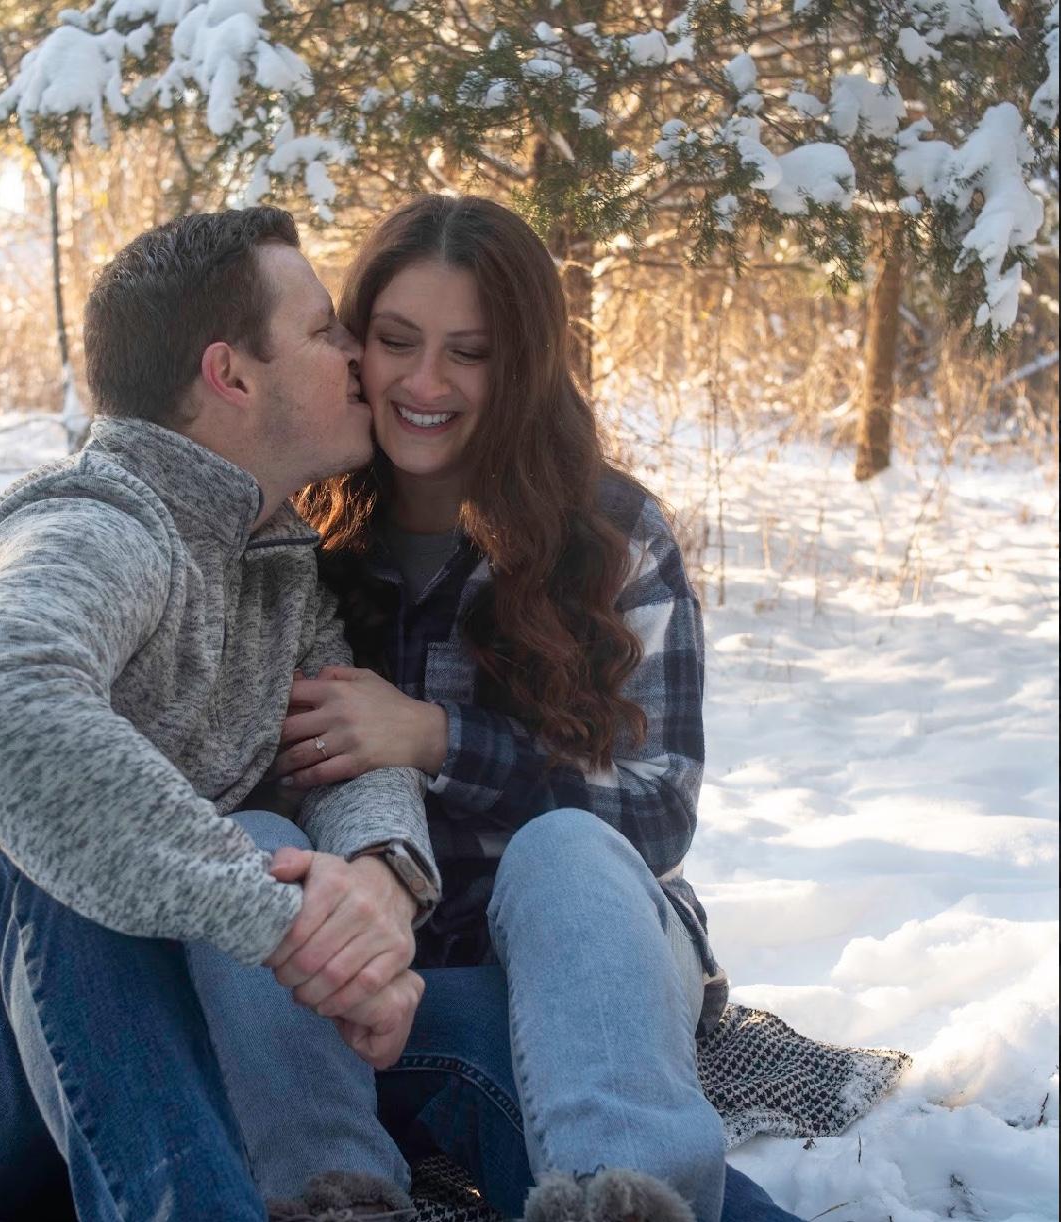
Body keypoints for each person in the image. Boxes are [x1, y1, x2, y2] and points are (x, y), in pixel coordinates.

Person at [192, 196, 804, 1221]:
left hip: (587, 983)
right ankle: (337, 1196)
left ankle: (623, 1198)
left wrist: (440, 741)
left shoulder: (609, 533)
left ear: (522, 364)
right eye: (397, 341)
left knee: (564, 849)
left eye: (469, 353)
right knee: (256, 850)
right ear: (354, 343)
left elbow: (658, 814)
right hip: (357, 994)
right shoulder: (300, 530)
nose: (425, 383)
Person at [0, 207, 445, 1222]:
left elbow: (342, 745)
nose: (357, 354)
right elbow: (1, 713)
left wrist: (379, 884)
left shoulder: (276, 570)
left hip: (106, 1065)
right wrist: (283, 929)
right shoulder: (96, 521)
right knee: (44, 840)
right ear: (231, 375)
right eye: (321, 330)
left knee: (466, 1014)